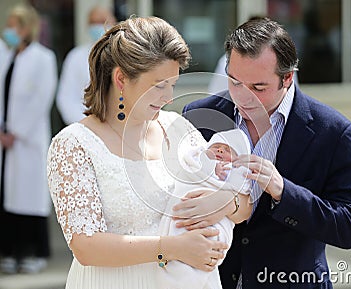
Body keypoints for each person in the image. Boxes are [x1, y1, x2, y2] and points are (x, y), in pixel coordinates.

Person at [47, 16, 250, 289]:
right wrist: (174, 248)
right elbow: (85, 246)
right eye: (158, 86)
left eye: (172, 86)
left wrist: (225, 203)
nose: (168, 98)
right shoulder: (74, 144)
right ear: (121, 78)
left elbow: (241, 204)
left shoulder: (178, 128)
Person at [179, 17, 351, 288]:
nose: (243, 97)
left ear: (287, 78)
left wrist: (283, 191)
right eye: (234, 82)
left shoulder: (335, 132)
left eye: (258, 88)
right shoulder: (198, 116)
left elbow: (348, 228)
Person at [0, 4, 57, 274]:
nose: (11, 30)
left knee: (29, 198)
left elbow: (41, 99)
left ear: (28, 27)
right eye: (9, 24)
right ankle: (10, 252)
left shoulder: (42, 58)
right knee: (9, 197)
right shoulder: (9, 56)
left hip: (27, 139)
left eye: (16, 25)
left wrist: (16, 131)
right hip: (6, 139)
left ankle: (35, 252)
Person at [158, 128, 252, 289]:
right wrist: (210, 167)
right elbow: (191, 162)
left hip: (214, 223)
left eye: (228, 150)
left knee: (205, 247)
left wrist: (227, 193)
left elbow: (244, 190)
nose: (220, 150)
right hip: (184, 207)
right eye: (216, 147)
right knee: (179, 240)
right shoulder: (198, 158)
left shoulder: (237, 172)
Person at [56, 5, 116, 125]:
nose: (98, 26)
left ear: (114, 22)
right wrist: (86, 125)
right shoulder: (75, 56)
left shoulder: (124, 56)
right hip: (84, 127)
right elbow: (66, 98)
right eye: (93, 23)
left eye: (102, 21)